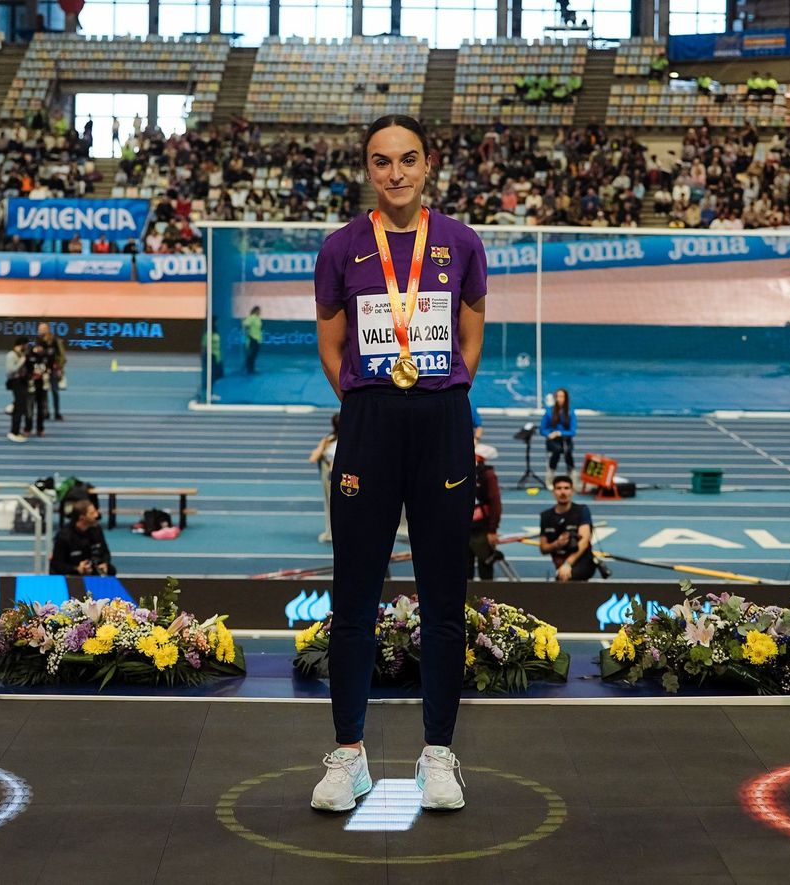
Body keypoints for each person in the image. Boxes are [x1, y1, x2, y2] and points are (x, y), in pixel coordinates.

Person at [311, 113, 487, 813]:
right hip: (369, 422)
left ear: (428, 164)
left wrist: (441, 393)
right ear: (367, 169)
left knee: (445, 597)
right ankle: (347, 755)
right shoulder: (340, 248)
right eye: (381, 162)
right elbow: (330, 344)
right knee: (353, 595)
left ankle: (438, 754)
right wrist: (368, 402)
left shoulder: (462, 243)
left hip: (443, 420)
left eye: (407, 160)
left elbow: (473, 332)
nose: (395, 173)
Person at [538, 475, 594, 581]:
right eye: (559, 488)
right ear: (553, 492)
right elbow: (543, 548)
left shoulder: (582, 511)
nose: (563, 492)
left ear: (572, 491)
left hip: (582, 561)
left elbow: (584, 541)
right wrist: (557, 544)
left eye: (566, 488)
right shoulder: (545, 516)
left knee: (564, 578)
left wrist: (567, 564)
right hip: (559, 561)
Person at [48, 499, 115, 576]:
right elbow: (57, 565)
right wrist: (77, 569)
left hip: (92, 570)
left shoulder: (96, 529)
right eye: (92, 513)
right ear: (82, 518)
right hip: (71, 575)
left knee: (111, 570)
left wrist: (105, 564)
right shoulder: (64, 536)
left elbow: (105, 552)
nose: (97, 515)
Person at [469, 442, 503, 580]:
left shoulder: (487, 475)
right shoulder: (457, 471)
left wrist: (492, 529)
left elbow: (495, 502)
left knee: (485, 567)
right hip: (462, 528)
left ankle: (486, 600)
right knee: (462, 570)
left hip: (481, 529)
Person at [307, 413, 340, 544]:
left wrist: (321, 447)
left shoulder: (328, 441)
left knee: (332, 506)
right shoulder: (352, 439)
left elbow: (313, 458)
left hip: (332, 478)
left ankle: (332, 533)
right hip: (346, 478)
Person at [540, 388, 577, 475]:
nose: (559, 399)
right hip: (553, 441)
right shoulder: (549, 411)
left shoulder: (570, 412)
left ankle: (571, 472)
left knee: (567, 451)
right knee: (557, 450)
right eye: (557, 396)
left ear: (566, 398)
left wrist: (559, 433)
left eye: (562, 397)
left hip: (566, 439)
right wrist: (548, 434)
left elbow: (573, 431)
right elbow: (542, 429)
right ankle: (551, 473)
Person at [36, 321, 67, 421]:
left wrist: (60, 368)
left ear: (47, 329)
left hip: (54, 370)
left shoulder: (55, 341)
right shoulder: (38, 341)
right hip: (43, 370)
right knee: (44, 392)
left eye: (42, 329)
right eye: (39, 329)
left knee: (55, 391)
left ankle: (57, 412)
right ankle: (46, 412)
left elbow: (62, 356)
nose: (40, 330)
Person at [5, 336, 31, 442]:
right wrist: (22, 361)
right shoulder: (12, 355)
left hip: (22, 382)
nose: (27, 347)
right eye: (26, 345)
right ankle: (13, 432)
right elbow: (10, 370)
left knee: (21, 406)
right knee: (19, 409)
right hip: (16, 383)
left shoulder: (21, 354)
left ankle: (16, 430)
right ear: (21, 345)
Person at [242, 305, 262, 374]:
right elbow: (245, 325)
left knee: (254, 354)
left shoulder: (258, 318)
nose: (260, 312)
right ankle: (249, 368)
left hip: (258, 339)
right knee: (251, 354)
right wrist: (248, 334)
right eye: (259, 310)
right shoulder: (251, 317)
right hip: (252, 338)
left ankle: (252, 368)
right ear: (256, 310)